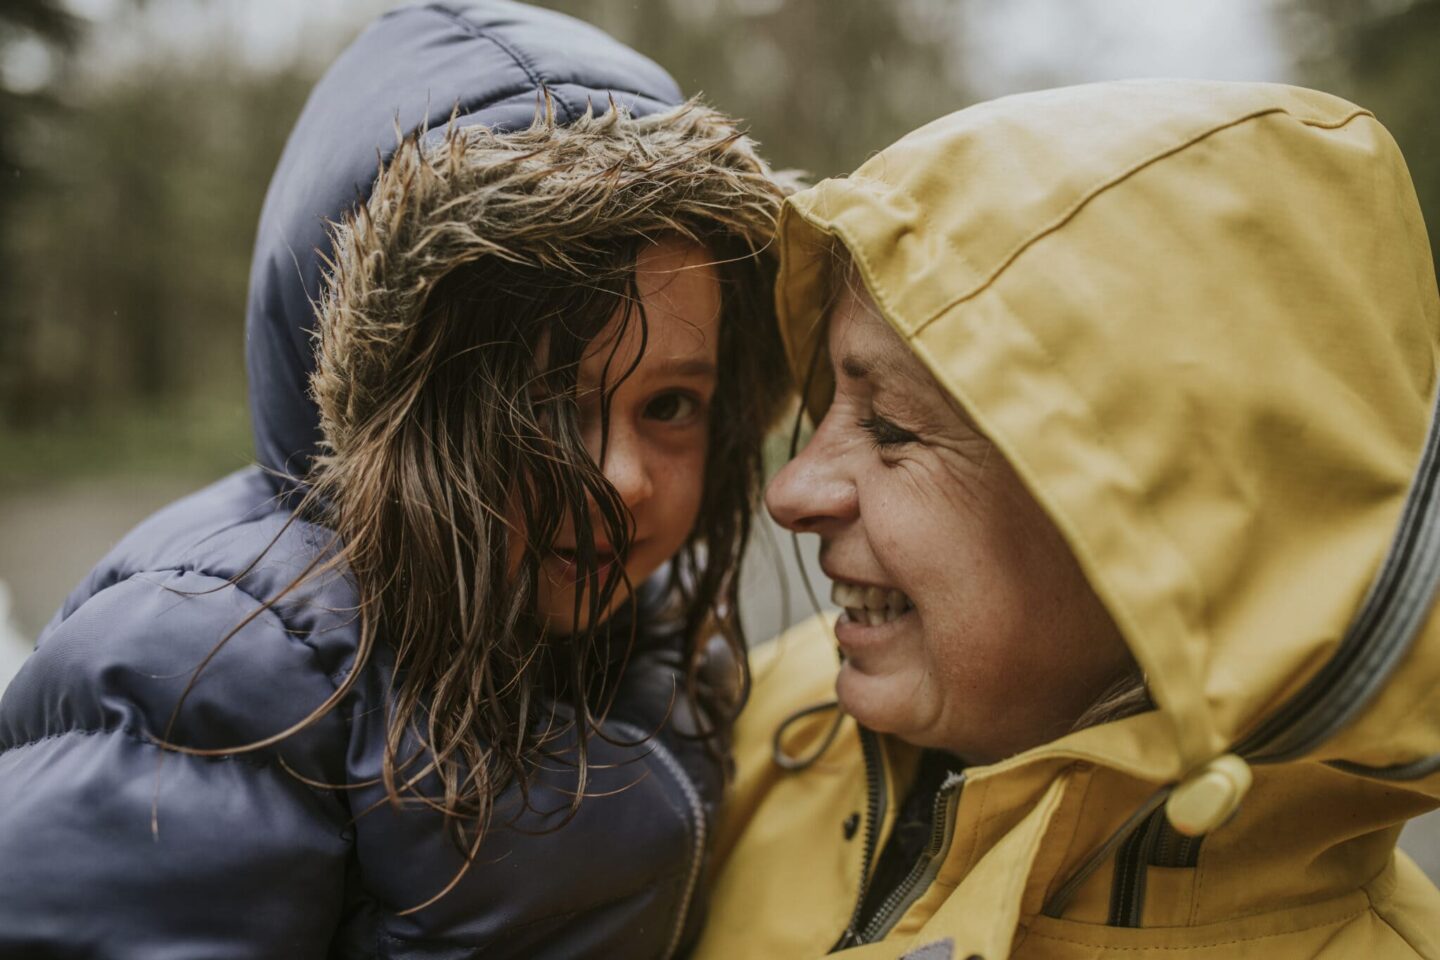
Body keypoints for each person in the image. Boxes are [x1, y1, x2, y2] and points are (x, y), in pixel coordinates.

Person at [0, 3, 789, 957]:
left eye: (670, 406)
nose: (621, 478)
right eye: (537, 406)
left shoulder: (650, 643)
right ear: (383, 402)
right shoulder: (213, 670)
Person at [694, 79, 1440, 959]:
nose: (792, 492)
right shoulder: (728, 719)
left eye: (890, 428)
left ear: (1169, 515)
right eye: (827, 405)